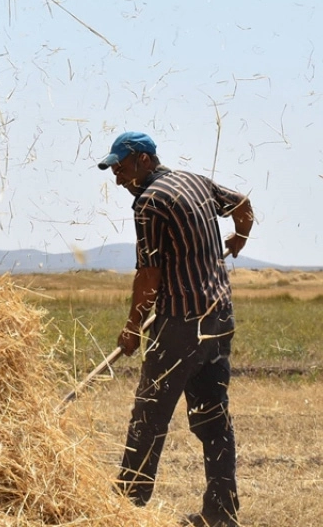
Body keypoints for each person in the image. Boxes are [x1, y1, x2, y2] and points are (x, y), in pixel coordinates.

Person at [97, 131, 254, 527]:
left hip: (181, 325)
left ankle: (125, 509)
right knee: (213, 418)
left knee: (149, 416)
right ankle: (221, 513)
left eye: (122, 167)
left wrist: (132, 326)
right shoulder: (195, 181)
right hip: (219, 319)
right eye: (114, 170)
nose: (117, 177)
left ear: (145, 160)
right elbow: (243, 204)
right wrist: (240, 236)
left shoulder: (149, 203)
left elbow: (149, 275)